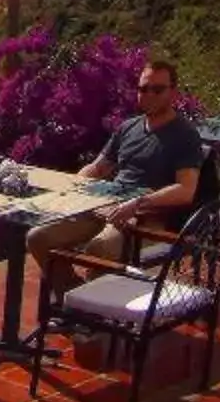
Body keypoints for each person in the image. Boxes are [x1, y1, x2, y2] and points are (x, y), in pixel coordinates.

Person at [24, 48, 208, 284]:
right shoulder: (128, 128)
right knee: (38, 237)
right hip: (107, 205)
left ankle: (93, 309)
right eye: (143, 89)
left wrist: (137, 203)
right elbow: (98, 168)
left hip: (145, 217)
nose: (148, 94)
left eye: (157, 89)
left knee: (100, 248)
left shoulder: (185, 135)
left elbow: (185, 190)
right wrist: (71, 186)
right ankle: (74, 298)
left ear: (173, 93)